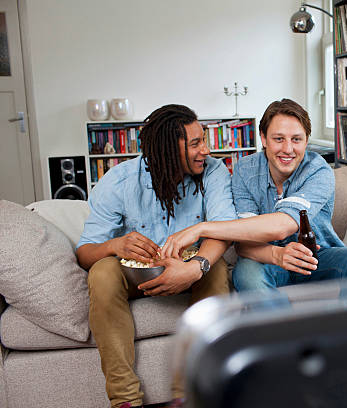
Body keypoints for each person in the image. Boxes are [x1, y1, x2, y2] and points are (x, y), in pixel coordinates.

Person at [75, 104, 236, 408]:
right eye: (195, 143)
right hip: (138, 276)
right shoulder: (120, 181)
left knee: (215, 269)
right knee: (101, 271)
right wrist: (114, 246)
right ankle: (125, 400)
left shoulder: (213, 171)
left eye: (204, 139)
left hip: (189, 271)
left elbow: (223, 230)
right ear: (168, 150)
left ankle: (187, 394)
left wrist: (196, 267)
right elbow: (85, 252)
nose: (206, 149)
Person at [161, 98, 347, 298]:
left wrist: (200, 228)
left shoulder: (318, 170)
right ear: (263, 138)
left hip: (317, 257)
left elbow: (283, 225)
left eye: (296, 139)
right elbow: (244, 245)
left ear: (306, 141)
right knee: (246, 273)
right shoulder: (245, 170)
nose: (288, 149)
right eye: (278, 139)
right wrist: (277, 254)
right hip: (264, 258)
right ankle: (281, 339)